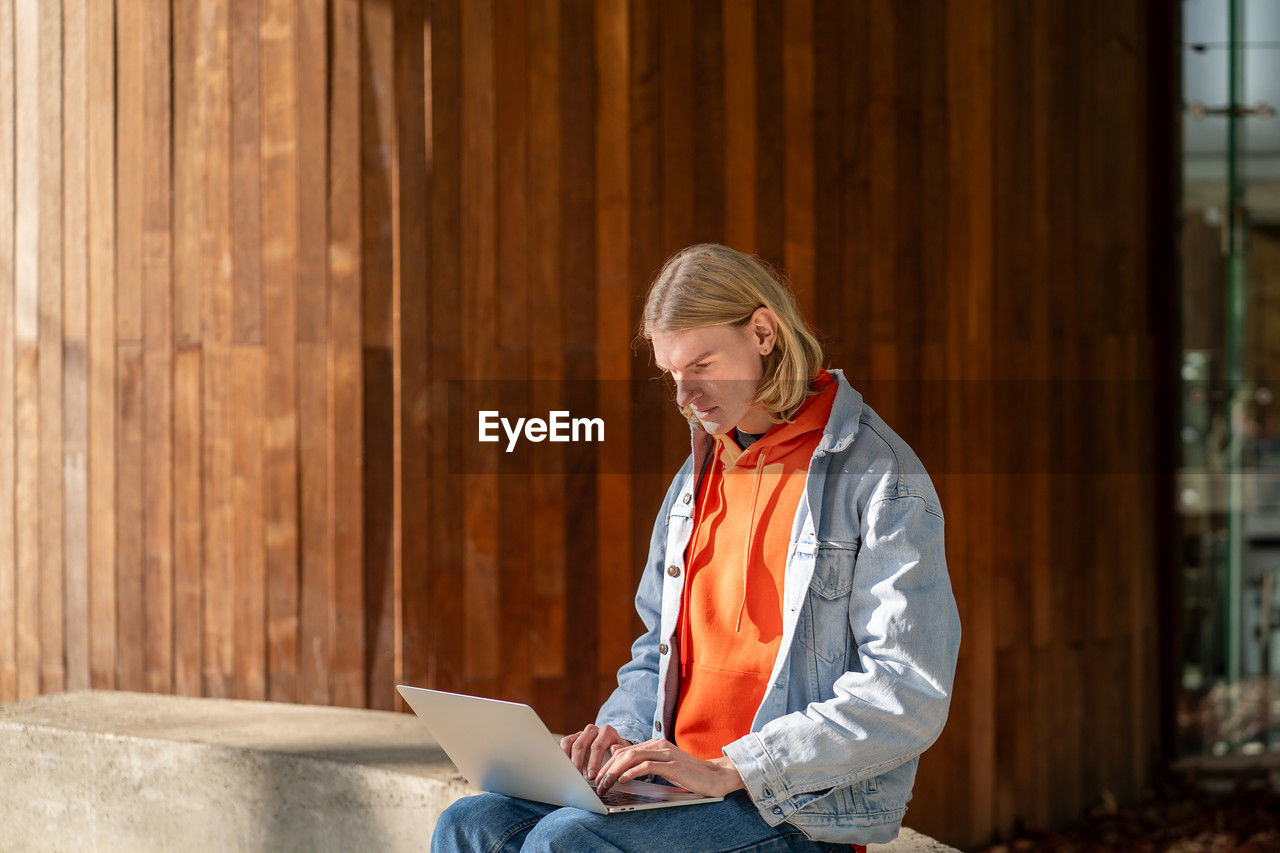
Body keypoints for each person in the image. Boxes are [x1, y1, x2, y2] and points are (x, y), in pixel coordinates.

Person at [432, 244, 961, 852]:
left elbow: (907, 691)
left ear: (763, 332)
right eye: (672, 375)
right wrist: (616, 739)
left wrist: (735, 769)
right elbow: (654, 654)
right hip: (674, 786)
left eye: (703, 366)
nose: (686, 396)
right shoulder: (697, 476)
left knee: (567, 844)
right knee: (470, 824)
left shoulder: (880, 478)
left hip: (785, 809)